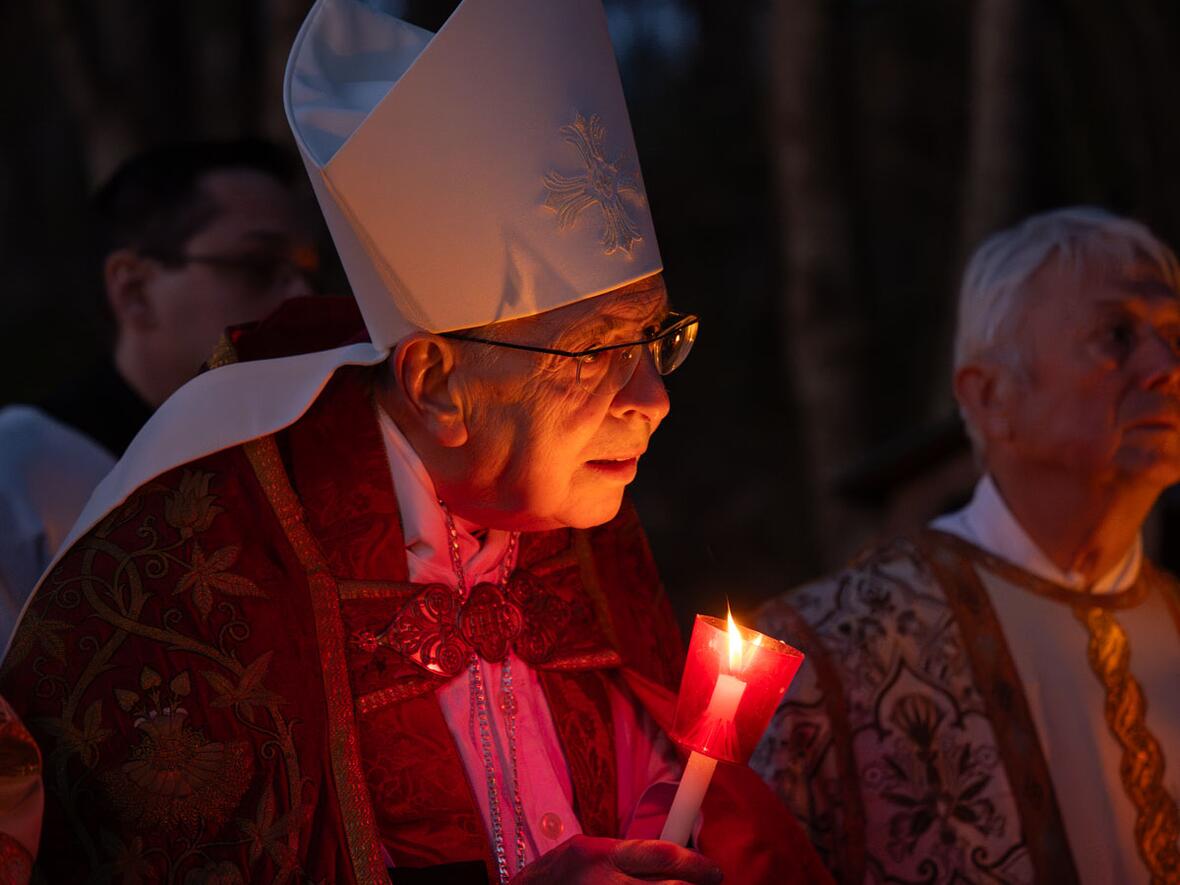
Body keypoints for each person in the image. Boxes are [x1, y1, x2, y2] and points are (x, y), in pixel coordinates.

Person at [0, 1, 829, 882]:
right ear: (436, 383)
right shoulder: (197, 582)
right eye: (597, 354)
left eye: (655, 340)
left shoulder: (579, 530)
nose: (654, 400)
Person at [753, 206, 1180, 884]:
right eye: (1119, 335)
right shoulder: (827, 653)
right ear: (990, 398)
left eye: (1173, 336)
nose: (1166, 367)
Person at [0, 139, 318, 639]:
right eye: (258, 265)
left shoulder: (314, 470)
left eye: (304, 271)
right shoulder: (21, 472)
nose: (301, 296)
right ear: (133, 289)